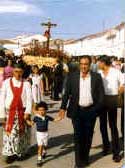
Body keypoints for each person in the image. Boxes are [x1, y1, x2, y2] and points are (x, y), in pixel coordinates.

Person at [58, 56, 104, 168]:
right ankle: (79, 163)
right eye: (82, 64)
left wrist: (96, 109)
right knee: (78, 137)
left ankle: (85, 158)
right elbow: (66, 94)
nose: (84, 66)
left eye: (86, 64)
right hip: (77, 111)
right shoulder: (72, 76)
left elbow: (101, 95)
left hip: (90, 111)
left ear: (89, 65)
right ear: (79, 64)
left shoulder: (96, 77)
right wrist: (62, 108)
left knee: (88, 136)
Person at [0, 63, 32, 163]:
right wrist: (2, 115)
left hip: (22, 112)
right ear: (13, 71)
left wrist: (28, 112)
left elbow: (29, 99)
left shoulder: (26, 83)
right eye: (16, 71)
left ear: (23, 72)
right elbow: (2, 98)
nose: (18, 74)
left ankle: (21, 152)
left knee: (22, 133)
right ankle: (10, 154)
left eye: (20, 72)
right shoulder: (6, 82)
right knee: (9, 134)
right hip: (9, 113)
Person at [98, 55, 124, 162]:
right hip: (101, 100)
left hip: (113, 99)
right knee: (102, 125)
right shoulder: (99, 74)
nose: (98, 64)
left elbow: (123, 83)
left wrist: (119, 92)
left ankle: (116, 152)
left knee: (113, 126)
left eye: (100, 62)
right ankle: (106, 146)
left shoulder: (116, 72)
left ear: (104, 63)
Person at [26, 101, 60, 166]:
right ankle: (39, 159)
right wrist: (27, 120)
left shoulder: (47, 117)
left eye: (43, 110)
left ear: (46, 110)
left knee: (45, 145)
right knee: (40, 146)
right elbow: (31, 123)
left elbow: (54, 120)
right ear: (37, 111)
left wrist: (60, 118)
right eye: (39, 110)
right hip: (39, 134)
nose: (41, 111)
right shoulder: (36, 118)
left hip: (45, 133)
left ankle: (44, 152)